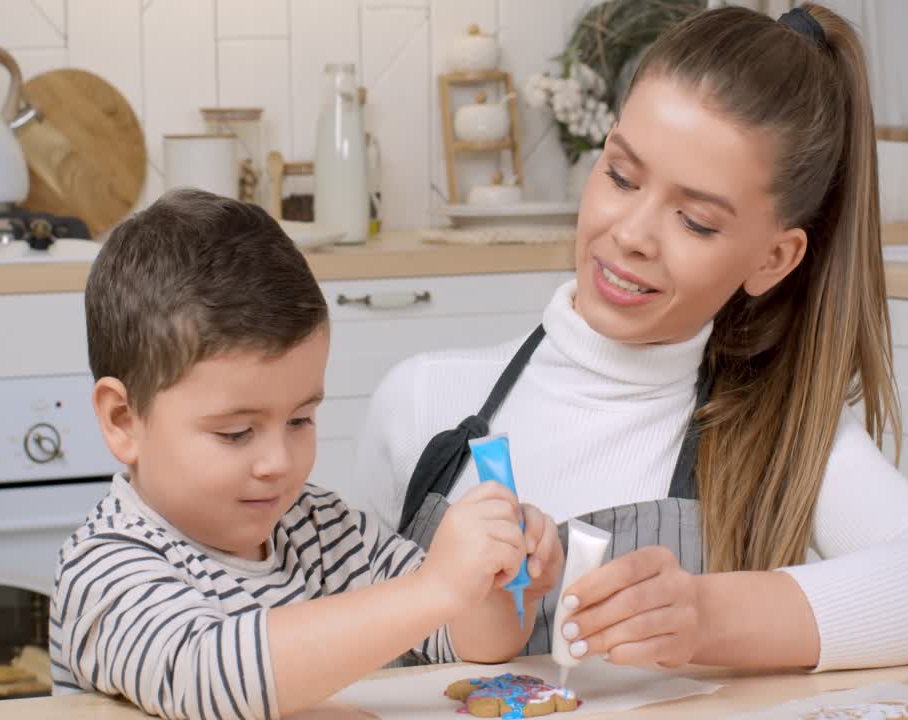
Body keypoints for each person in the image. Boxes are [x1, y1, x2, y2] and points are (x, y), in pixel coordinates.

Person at [353, 4, 908, 672]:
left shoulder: (780, 436)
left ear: (773, 260)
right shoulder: (422, 402)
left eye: (694, 221)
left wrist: (708, 618)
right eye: (620, 176)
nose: (631, 233)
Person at [50, 188, 564, 720]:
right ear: (123, 420)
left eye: (300, 420)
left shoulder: (324, 529)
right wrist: (437, 585)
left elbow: (466, 641)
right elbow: (210, 678)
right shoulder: (106, 567)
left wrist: (495, 583)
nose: (278, 461)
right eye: (235, 433)